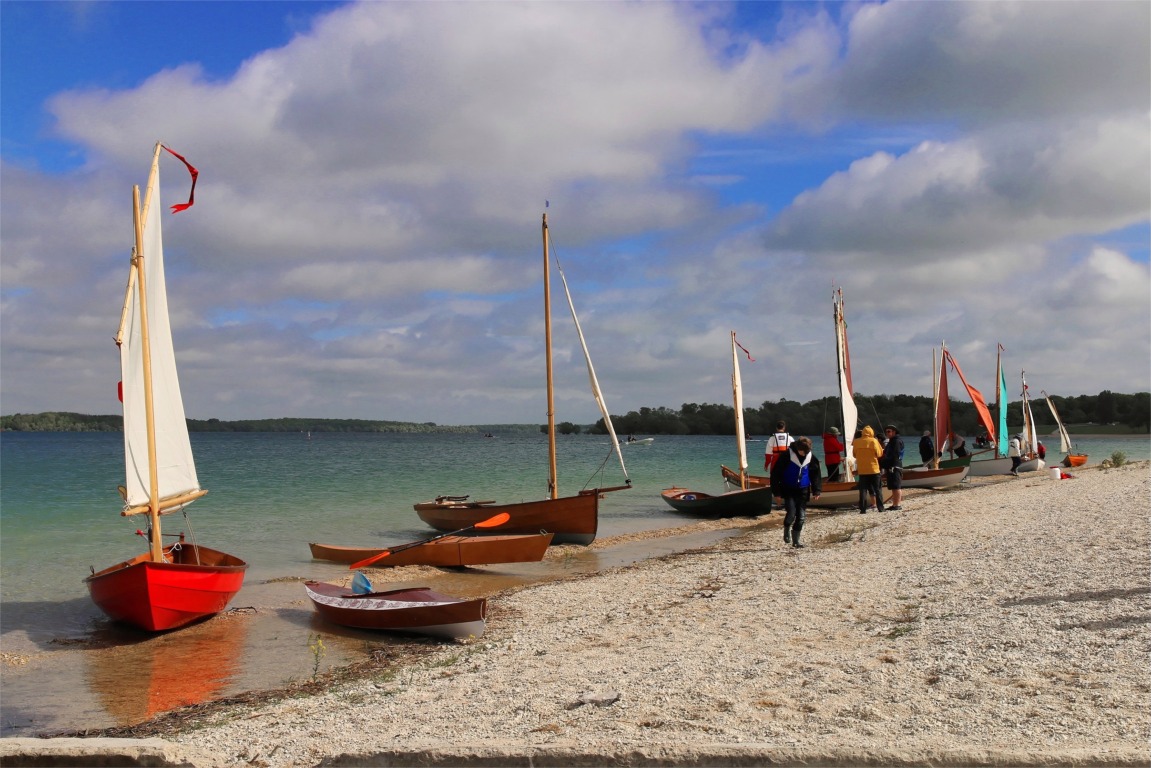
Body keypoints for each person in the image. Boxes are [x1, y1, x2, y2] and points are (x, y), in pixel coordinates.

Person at [770, 436, 822, 548]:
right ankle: (787, 527)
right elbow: (775, 475)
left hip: (803, 489)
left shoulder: (810, 456)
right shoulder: (786, 456)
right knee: (791, 513)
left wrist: (817, 490)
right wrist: (777, 493)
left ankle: (796, 541)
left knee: (801, 516)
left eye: (807, 452)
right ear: (798, 449)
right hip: (788, 488)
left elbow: (816, 474)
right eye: (803, 452)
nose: (805, 454)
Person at [853, 425, 884, 514]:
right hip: (874, 469)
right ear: (871, 433)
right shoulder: (874, 441)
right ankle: (880, 508)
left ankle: (862, 509)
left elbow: (854, 454)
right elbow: (879, 454)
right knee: (878, 489)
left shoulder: (856, 442)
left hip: (862, 470)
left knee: (863, 490)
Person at [881, 424, 904, 511]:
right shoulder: (892, 441)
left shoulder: (896, 441)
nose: (887, 433)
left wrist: (886, 462)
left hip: (895, 466)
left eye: (889, 431)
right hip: (891, 466)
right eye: (886, 431)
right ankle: (895, 504)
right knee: (893, 486)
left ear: (894, 432)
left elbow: (894, 454)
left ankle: (897, 505)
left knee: (896, 486)